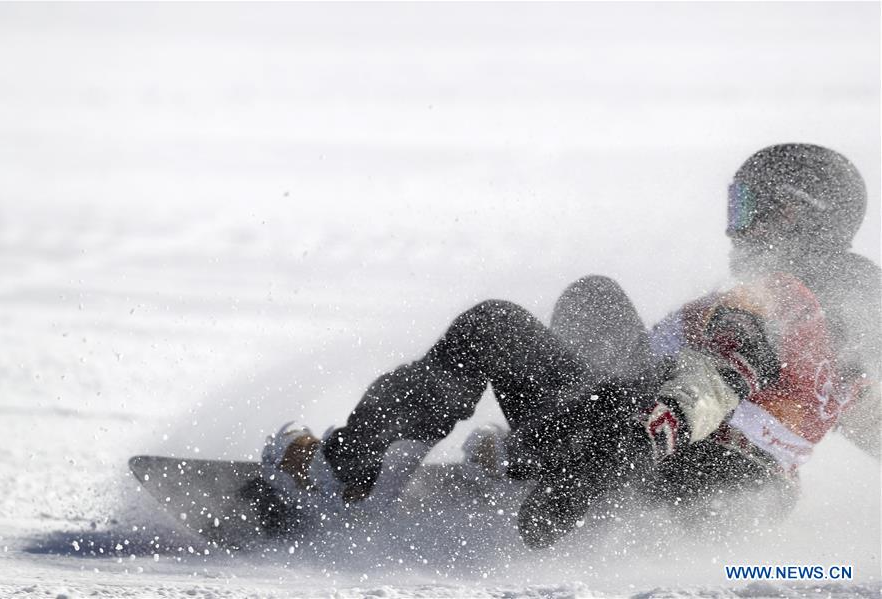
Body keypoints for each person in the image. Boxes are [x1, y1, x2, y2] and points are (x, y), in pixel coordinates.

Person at [261, 143, 881, 549]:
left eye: (745, 207)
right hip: (725, 496)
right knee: (594, 298)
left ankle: (339, 479)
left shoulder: (777, 300)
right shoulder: (852, 320)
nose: (731, 226)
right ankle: (522, 453)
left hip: (634, 466)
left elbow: (708, 384)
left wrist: (586, 482)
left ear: (791, 216)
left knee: (492, 325)